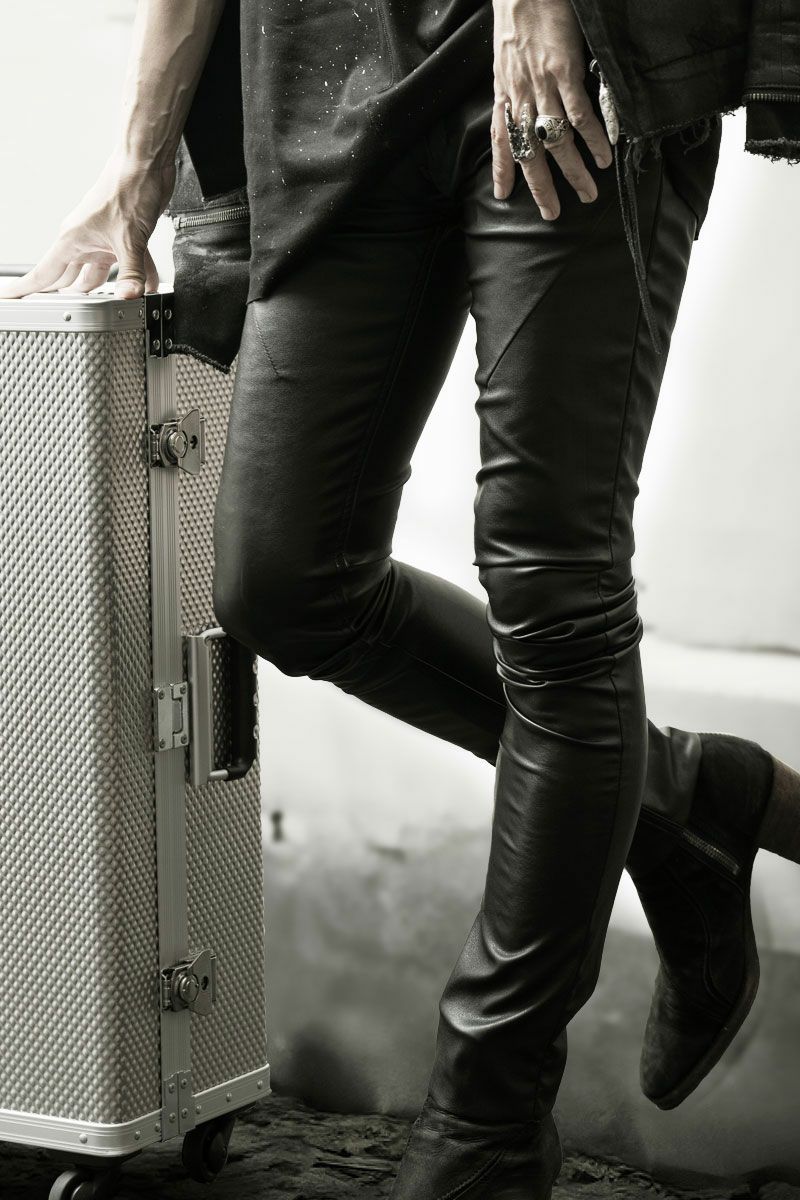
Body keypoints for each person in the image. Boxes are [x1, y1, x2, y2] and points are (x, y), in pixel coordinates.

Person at [2, 2, 798, 1196]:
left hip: (564, 62)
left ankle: (485, 1121)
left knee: (555, 596)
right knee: (282, 582)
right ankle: (677, 802)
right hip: (330, 72)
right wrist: (138, 163)